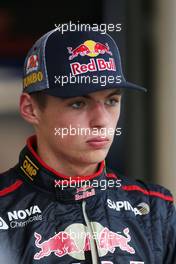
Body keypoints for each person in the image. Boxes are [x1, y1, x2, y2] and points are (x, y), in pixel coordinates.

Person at [0, 28, 175, 264]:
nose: (101, 120)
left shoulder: (155, 209)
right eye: (78, 103)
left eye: (112, 100)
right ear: (30, 109)